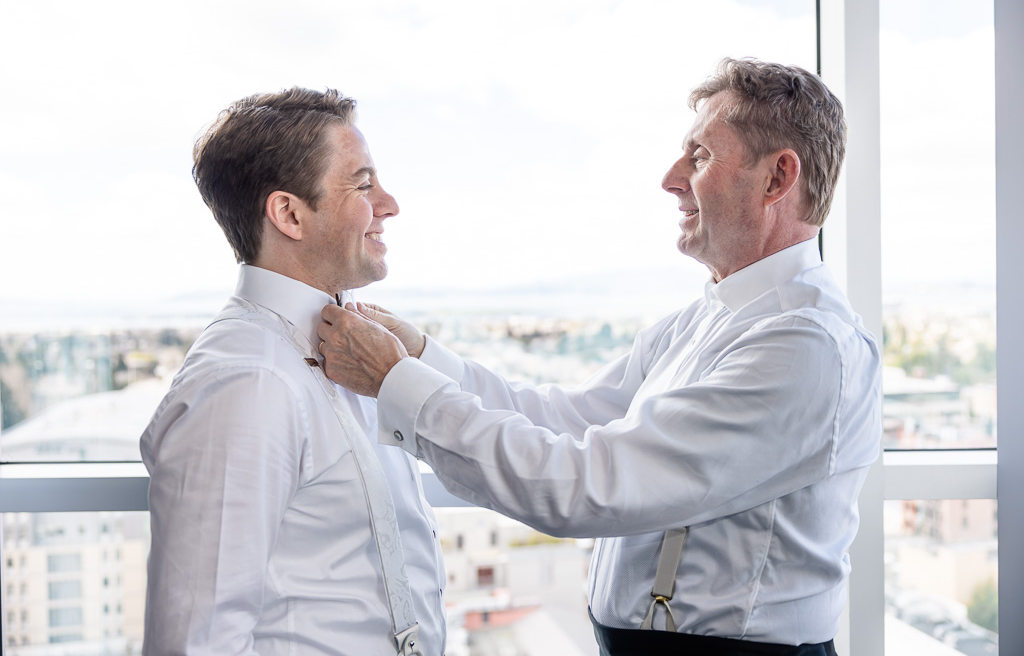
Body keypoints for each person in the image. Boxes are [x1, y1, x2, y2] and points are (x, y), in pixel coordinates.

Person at [317, 58, 882, 656]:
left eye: (699, 157)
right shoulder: (708, 318)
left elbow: (588, 485)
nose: (670, 179)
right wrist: (425, 359)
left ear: (776, 179)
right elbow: (568, 416)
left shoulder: (805, 345)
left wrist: (397, 383)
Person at [140, 88, 445, 655]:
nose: (390, 204)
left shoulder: (352, 347)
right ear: (288, 213)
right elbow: (196, 640)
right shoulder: (245, 382)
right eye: (363, 184)